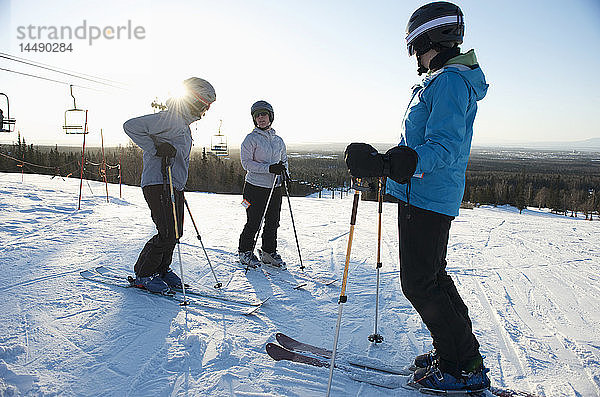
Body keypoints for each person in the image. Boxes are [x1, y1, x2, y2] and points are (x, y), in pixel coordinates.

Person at [344, 1, 490, 392]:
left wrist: (403, 163)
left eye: (415, 47)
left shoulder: (449, 82)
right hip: (421, 193)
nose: (415, 57)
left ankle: (457, 366)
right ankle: (463, 356)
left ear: (432, 39)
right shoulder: (441, 80)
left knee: (420, 284)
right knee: (432, 279)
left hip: (427, 196)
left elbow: (444, 145)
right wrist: (382, 162)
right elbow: (414, 146)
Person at [123, 77, 216, 293]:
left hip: (173, 184)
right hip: (158, 182)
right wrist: (156, 148)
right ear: (192, 100)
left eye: (206, 107)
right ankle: (144, 274)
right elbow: (131, 127)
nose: (204, 111)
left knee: (175, 232)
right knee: (167, 232)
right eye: (202, 105)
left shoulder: (181, 124)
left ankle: (162, 269)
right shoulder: (169, 119)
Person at [238, 100, 288, 269]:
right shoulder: (250, 139)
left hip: (274, 187)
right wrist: (269, 168)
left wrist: (284, 174)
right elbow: (246, 164)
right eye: (257, 115)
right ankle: (245, 251)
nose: (261, 118)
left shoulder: (278, 140)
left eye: (264, 114)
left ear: (270, 117)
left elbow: (284, 161)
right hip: (254, 187)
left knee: (273, 221)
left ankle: (268, 251)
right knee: (254, 220)